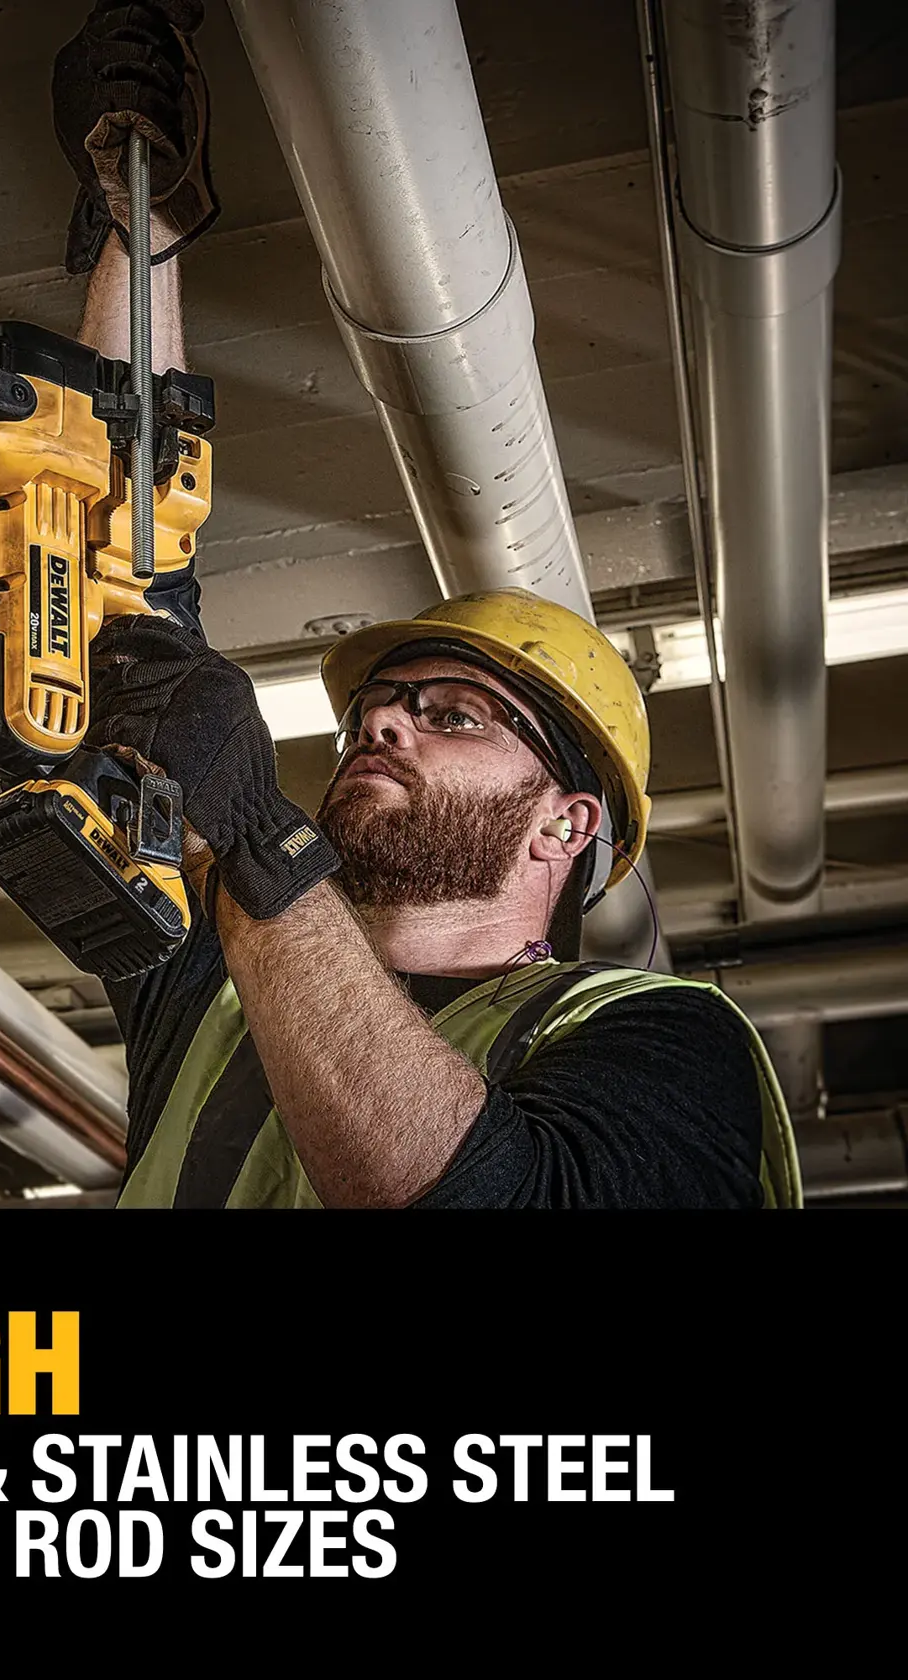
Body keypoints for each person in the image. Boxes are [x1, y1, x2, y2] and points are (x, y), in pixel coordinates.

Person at [51, 0, 799, 1208]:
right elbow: (118, 599)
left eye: (452, 715)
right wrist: (144, 226)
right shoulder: (222, 992)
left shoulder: (661, 1038)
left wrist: (253, 835)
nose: (381, 725)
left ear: (566, 828)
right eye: (381, 709)